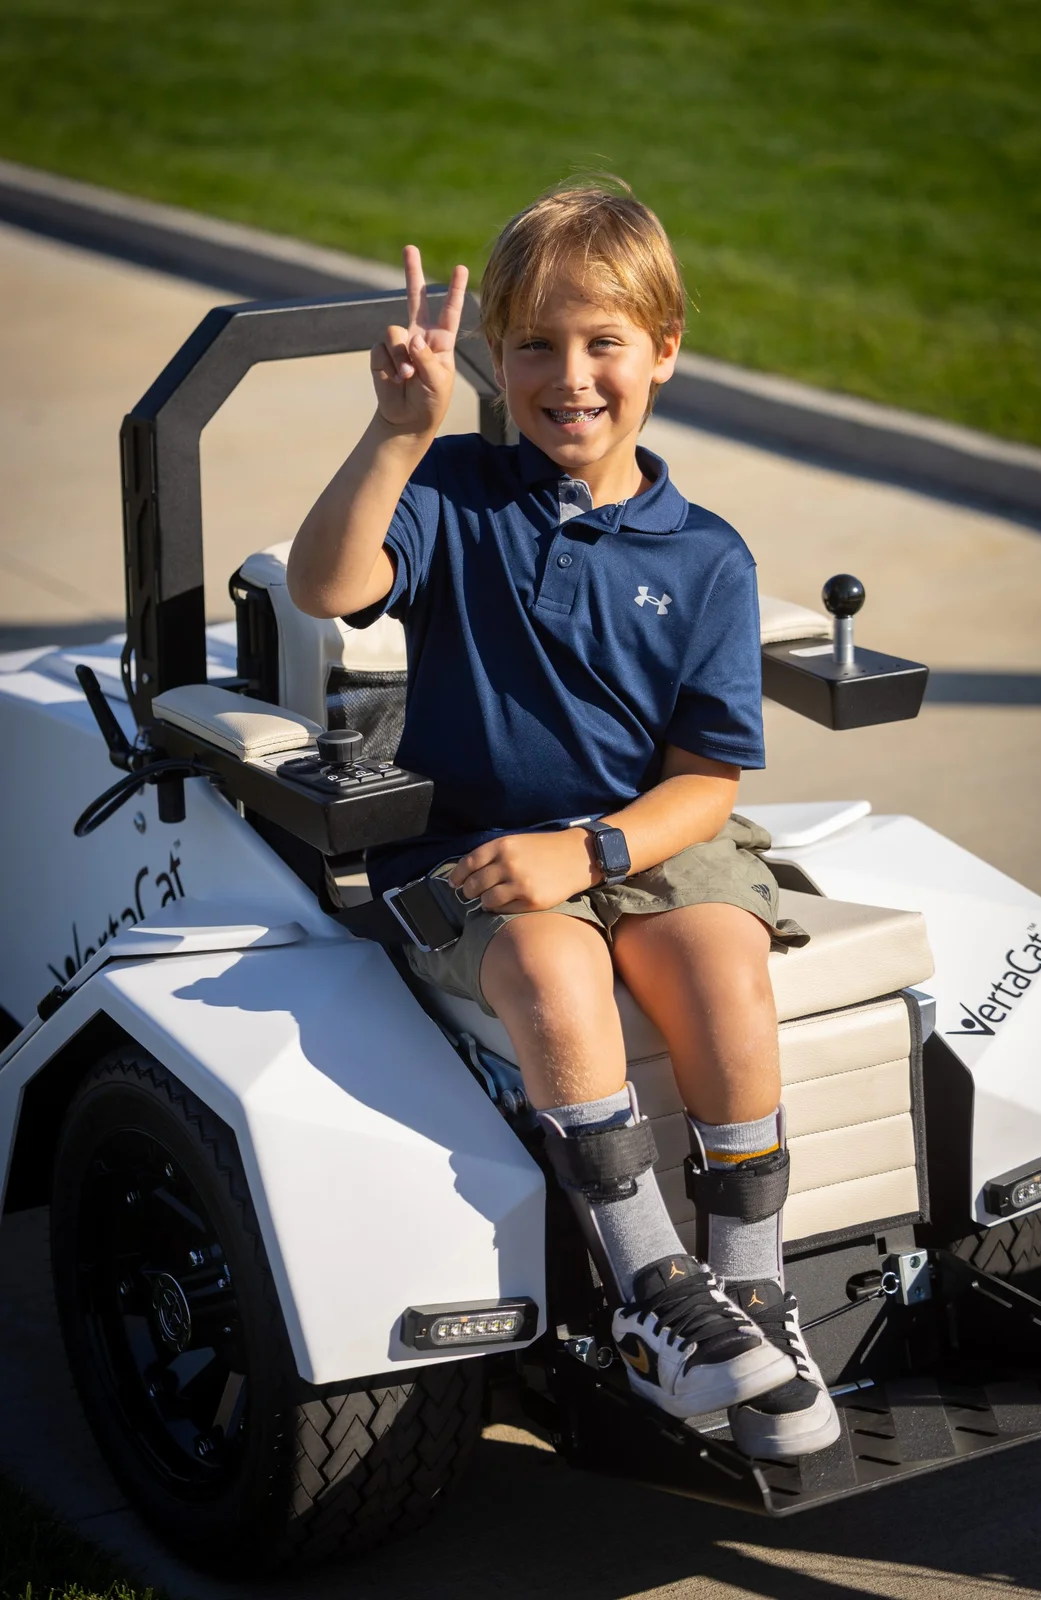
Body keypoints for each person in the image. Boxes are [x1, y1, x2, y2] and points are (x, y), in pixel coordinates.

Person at [288, 182, 839, 1457]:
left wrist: (591, 850)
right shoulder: (451, 491)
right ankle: (655, 1293)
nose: (570, 376)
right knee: (549, 961)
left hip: (638, 832)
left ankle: (749, 1289)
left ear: (665, 351)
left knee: (722, 960)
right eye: (535, 343)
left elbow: (707, 783)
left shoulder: (706, 554)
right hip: (472, 850)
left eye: (603, 344)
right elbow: (328, 584)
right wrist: (392, 433)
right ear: (494, 357)